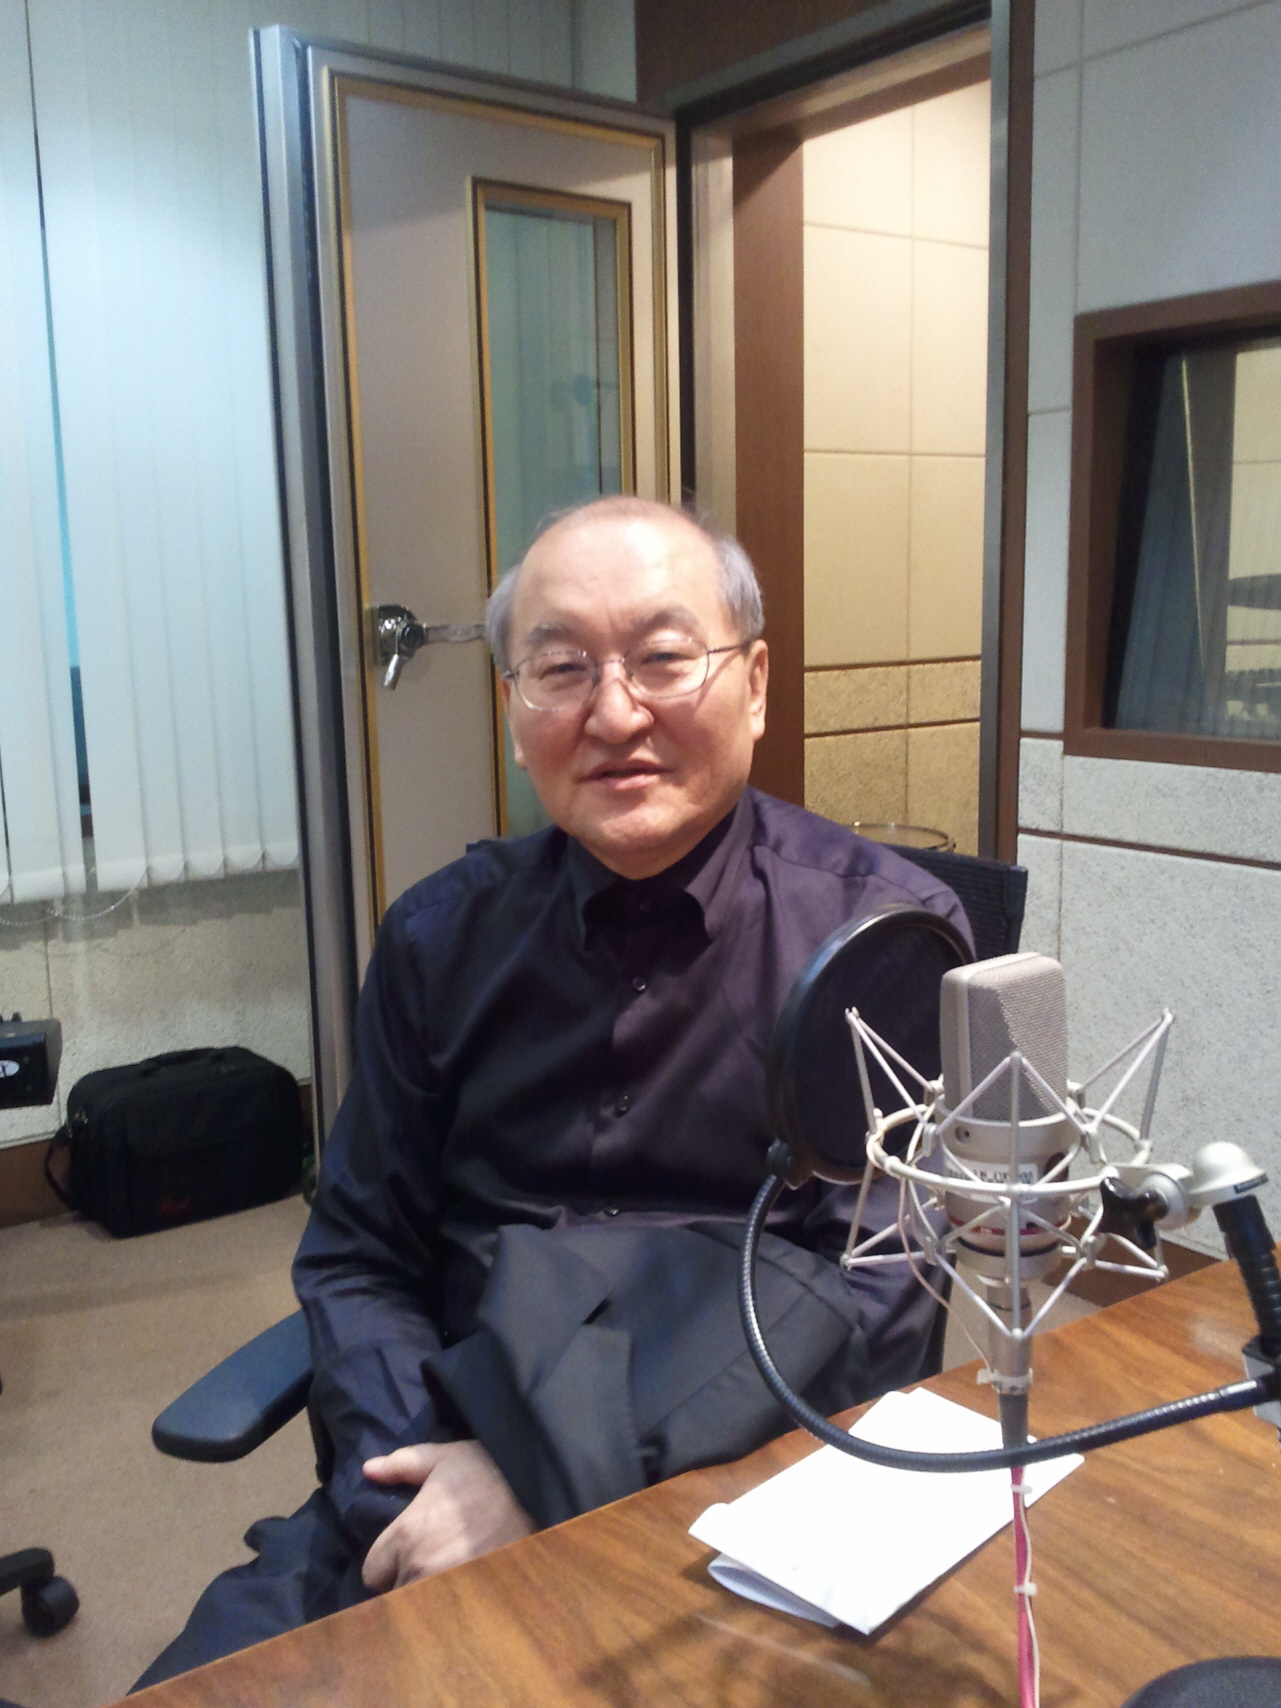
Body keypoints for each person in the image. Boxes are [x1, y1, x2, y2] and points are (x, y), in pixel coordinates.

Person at [134, 497, 970, 1687]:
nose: (615, 713)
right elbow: (361, 1258)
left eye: (664, 657)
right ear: (514, 711)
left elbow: (878, 1285)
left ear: (755, 684)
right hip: (434, 1472)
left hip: (731, 1500)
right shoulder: (435, 940)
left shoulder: (878, 940)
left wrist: (541, 1485)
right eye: (563, 668)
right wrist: (410, 1481)